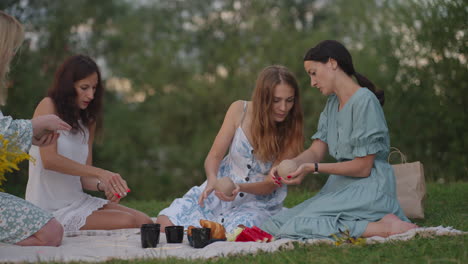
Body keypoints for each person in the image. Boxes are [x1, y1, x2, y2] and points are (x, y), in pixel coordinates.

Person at [261, 40, 418, 240]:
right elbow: (317, 150)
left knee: (301, 224)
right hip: (340, 186)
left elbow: (363, 168)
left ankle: (383, 227)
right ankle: (371, 224)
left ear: (332, 63)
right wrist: (293, 165)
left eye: (313, 73)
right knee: (273, 224)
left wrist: (313, 168)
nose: (312, 82)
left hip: (369, 187)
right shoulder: (331, 104)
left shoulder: (365, 101)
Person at [156, 65, 304, 233]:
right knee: (165, 223)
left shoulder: (292, 130)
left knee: (237, 233)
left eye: (289, 100)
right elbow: (215, 155)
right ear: (263, 97)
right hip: (219, 190)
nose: (283, 108)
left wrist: (239, 187)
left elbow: (271, 184)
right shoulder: (239, 110)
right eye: (276, 100)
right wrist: (212, 179)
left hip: (257, 202)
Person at [25, 55, 153, 232]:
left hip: (78, 201)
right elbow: (49, 160)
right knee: (127, 221)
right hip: (50, 208)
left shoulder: (88, 121)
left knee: (145, 220)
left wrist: (104, 185)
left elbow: (84, 179)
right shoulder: (48, 106)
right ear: (68, 86)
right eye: (84, 88)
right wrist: (102, 173)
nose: (91, 95)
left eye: (94, 88)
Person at [0, 10, 71, 246]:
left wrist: (31, 136)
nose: (12, 53)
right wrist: (36, 125)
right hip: (60, 202)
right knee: (51, 233)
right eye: (11, 46)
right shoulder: (48, 104)